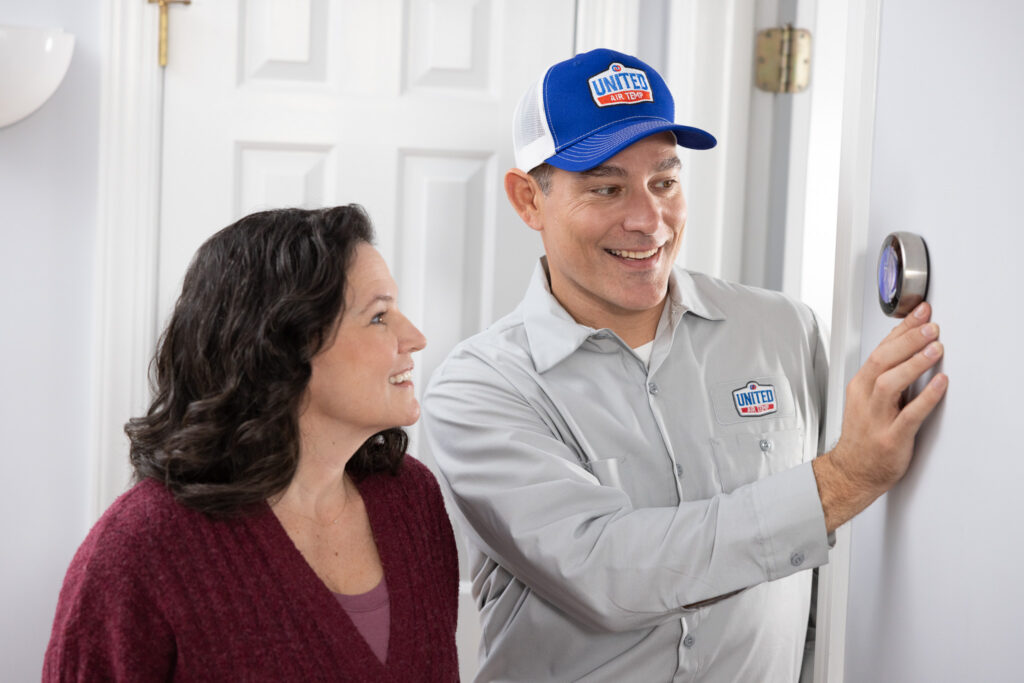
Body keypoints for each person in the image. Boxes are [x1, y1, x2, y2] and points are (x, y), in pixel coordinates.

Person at [420, 48, 948, 682]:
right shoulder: (481, 388)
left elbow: (816, 592)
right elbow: (607, 571)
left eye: (664, 182)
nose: (648, 220)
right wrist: (843, 480)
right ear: (528, 199)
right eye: (607, 188)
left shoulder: (783, 331)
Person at [44, 206, 459, 681]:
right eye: (379, 317)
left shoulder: (411, 500)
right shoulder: (138, 551)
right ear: (283, 345)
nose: (416, 338)